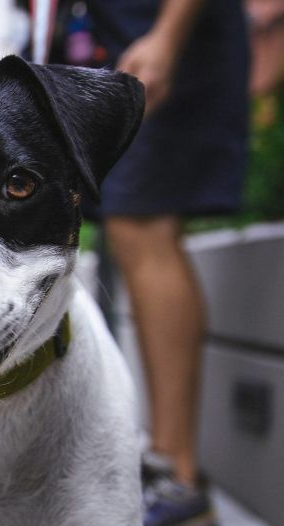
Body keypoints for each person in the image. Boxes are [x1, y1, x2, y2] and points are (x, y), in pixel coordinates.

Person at [81, 0, 251, 524]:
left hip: (156, 38)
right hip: (120, 39)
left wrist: (168, 35)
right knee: (127, 226)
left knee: (143, 224)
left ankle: (178, 478)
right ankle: (166, 472)